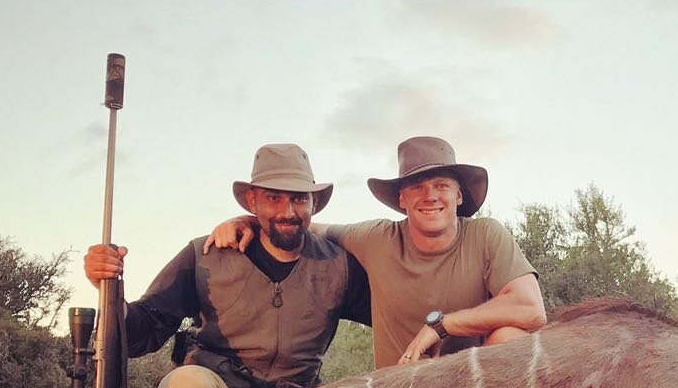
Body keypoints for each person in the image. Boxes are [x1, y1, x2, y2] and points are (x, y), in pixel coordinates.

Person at [83, 143, 371, 388]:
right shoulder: (204, 256)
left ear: (314, 204)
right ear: (252, 202)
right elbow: (142, 332)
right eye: (273, 198)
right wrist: (109, 291)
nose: (288, 211)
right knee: (185, 387)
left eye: (299, 199)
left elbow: (392, 311)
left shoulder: (339, 266)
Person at [206, 136, 545, 368]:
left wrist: (444, 326)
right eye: (416, 188)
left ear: (458, 196)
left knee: (510, 339)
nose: (430, 196)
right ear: (402, 199)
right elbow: (306, 225)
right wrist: (252, 220)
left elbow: (531, 309)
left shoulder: (487, 234)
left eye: (441, 186)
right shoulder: (376, 238)